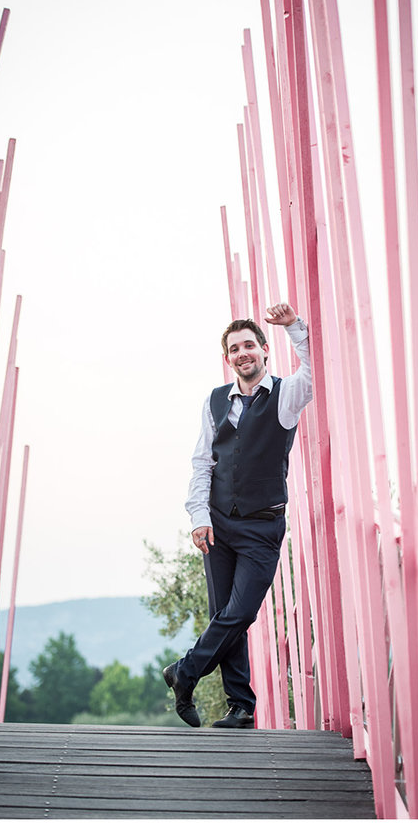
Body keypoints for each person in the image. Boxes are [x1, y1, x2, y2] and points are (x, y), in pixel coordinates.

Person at [166, 303, 313, 729]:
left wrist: (294, 328)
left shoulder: (286, 395)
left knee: (241, 611)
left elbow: (318, 371)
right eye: (235, 348)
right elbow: (202, 462)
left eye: (250, 345)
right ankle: (241, 707)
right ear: (227, 358)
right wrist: (198, 515)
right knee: (223, 616)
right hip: (218, 523)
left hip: (262, 524)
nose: (243, 352)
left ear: (265, 351)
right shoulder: (214, 401)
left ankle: (185, 672)